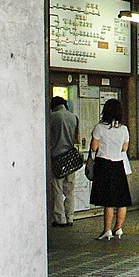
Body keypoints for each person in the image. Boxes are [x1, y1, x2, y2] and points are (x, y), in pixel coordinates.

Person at [88, 98, 131, 240]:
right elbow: (124, 148)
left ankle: (107, 230)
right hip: (119, 165)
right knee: (121, 199)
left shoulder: (99, 128)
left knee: (108, 200)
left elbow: (94, 147)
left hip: (104, 165)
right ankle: (118, 228)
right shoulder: (124, 129)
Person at [48, 95, 81, 227]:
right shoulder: (74, 117)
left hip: (56, 158)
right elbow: (77, 139)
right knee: (70, 189)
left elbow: (49, 137)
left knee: (57, 189)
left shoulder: (52, 117)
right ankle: (70, 217)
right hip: (71, 158)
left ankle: (60, 218)